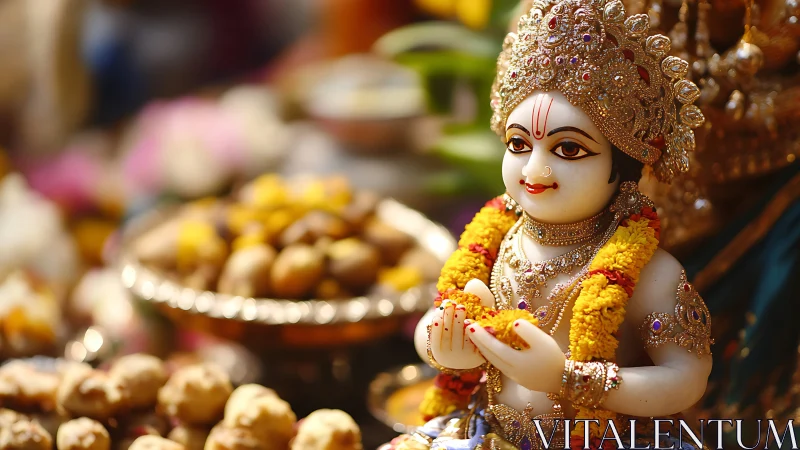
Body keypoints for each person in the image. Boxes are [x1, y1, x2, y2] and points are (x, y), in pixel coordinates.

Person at [381, 0, 713, 447]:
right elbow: (436, 319)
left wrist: (566, 377)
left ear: (624, 166)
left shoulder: (651, 273)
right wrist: (442, 344)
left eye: (569, 150)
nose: (534, 171)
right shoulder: (497, 240)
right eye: (518, 144)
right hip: (486, 431)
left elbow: (687, 378)